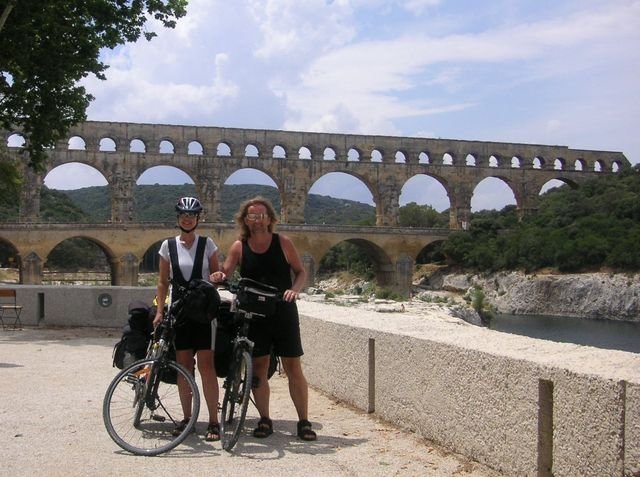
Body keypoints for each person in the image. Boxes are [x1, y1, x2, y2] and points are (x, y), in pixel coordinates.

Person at [210, 196, 317, 441]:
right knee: (259, 368)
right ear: (245, 220)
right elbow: (225, 273)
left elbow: (300, 271)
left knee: (293, 367)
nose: (257, 220)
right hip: (255, 314)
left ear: (269, 219)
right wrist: (218, 275)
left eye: (261, 216)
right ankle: (265, 419)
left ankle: (304, 421)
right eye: (252, 216)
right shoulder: (239, 246)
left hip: (283, 309)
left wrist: (295, 290)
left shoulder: (283, 242)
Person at [153, 196, 221, 442]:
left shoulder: (208, 244)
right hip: (180, 313)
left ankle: (213, 420)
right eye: (183, 215)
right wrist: (160, 311)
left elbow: (216, 274)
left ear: (198, 218)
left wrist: (218, 276)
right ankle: (187, 418)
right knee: (183, 367)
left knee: (206, 367)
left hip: (203, 313)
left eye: (191, 215)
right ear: (178, 217)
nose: (187, 219)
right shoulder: (167, 246)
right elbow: (162, 282)